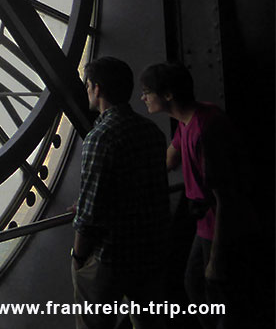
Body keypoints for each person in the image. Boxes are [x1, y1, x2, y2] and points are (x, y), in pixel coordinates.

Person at [139, 62, 254, 329]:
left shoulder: (198, 129)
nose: (143, 97)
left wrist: (216, 258)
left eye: (147, 91)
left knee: (206, 291)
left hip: (217, 229)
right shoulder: (200, 119)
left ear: (167, 95)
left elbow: (223, 198)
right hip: (218, 226)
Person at [71, 57, 169, 329]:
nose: (87, 91)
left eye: (88, 85)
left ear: (98, 89)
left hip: (112, 257)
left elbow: (89, 215)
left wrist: (78, 257)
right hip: (150, 250)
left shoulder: (100, 137)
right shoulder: (152, 132)